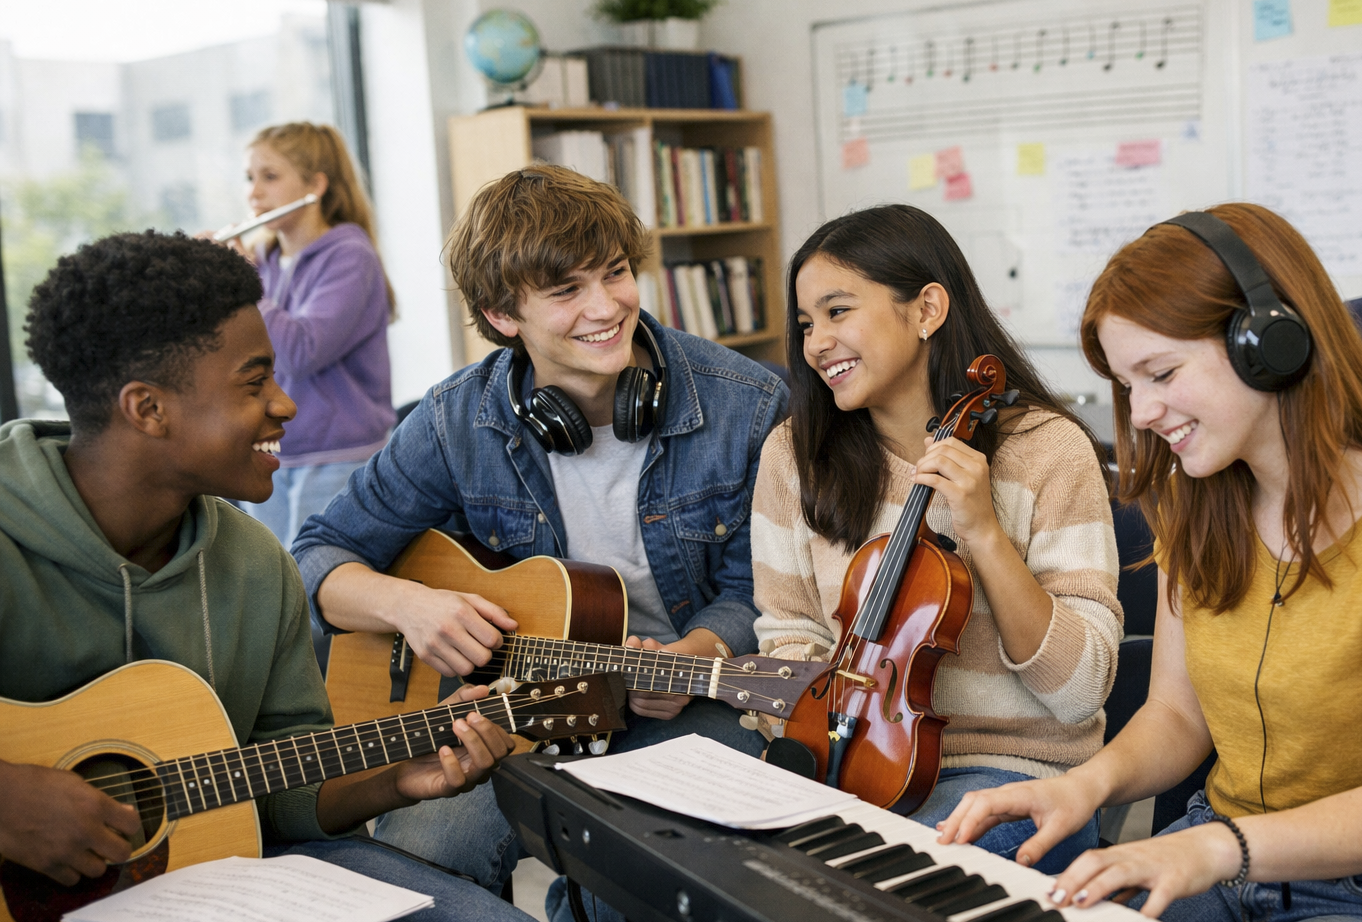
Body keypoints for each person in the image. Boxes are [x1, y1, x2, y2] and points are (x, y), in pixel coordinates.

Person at [291, 164, 788, 905]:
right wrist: (409, 608)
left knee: (669, 877)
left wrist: (695, 653)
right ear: (501, 316)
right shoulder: (456, 418)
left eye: (614, 274)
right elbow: (318, 557)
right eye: (565, 291)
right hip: (506, 711)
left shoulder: (745, 403)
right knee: (421, 882)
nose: (605, 307)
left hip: (675, 704)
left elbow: (764, 586)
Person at [0, 231, 526, 922]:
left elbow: (276, 784)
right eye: (255, 382)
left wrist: (397, 779)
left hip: (217, 869)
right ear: (147, 409)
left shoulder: (255, 563)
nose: (286, 404)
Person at [937, 202, 1362, 920]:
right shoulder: (1194, 501)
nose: (1140, 413)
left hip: (1356, 887)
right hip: (1217, 853)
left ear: (1267, 342)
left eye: (1161, 372)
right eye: (1127, 384)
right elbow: (1178, 716)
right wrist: (1082, 786)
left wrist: (1214, 848)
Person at [752, 204, 1122, 874]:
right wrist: (813, 734)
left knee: (858, 890)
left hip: (1008, 775)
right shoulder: (794, 454)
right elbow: (790, 630)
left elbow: (1079, 691)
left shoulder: (1048, 452)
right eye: (806, 324)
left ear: (926, 310)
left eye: (838, 312)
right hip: (846, 761)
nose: (814, 344)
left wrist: (982, 530)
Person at [234, 122, 396, 549]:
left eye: (270, 177)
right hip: (272, 452)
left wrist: (243, 281)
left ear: (316, 185)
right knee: (273, 589)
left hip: (337, 458)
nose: (254, 193)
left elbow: (300, 352)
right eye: (250, 178)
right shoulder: (266, 259)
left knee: (313, 596)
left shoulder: (349, 256)